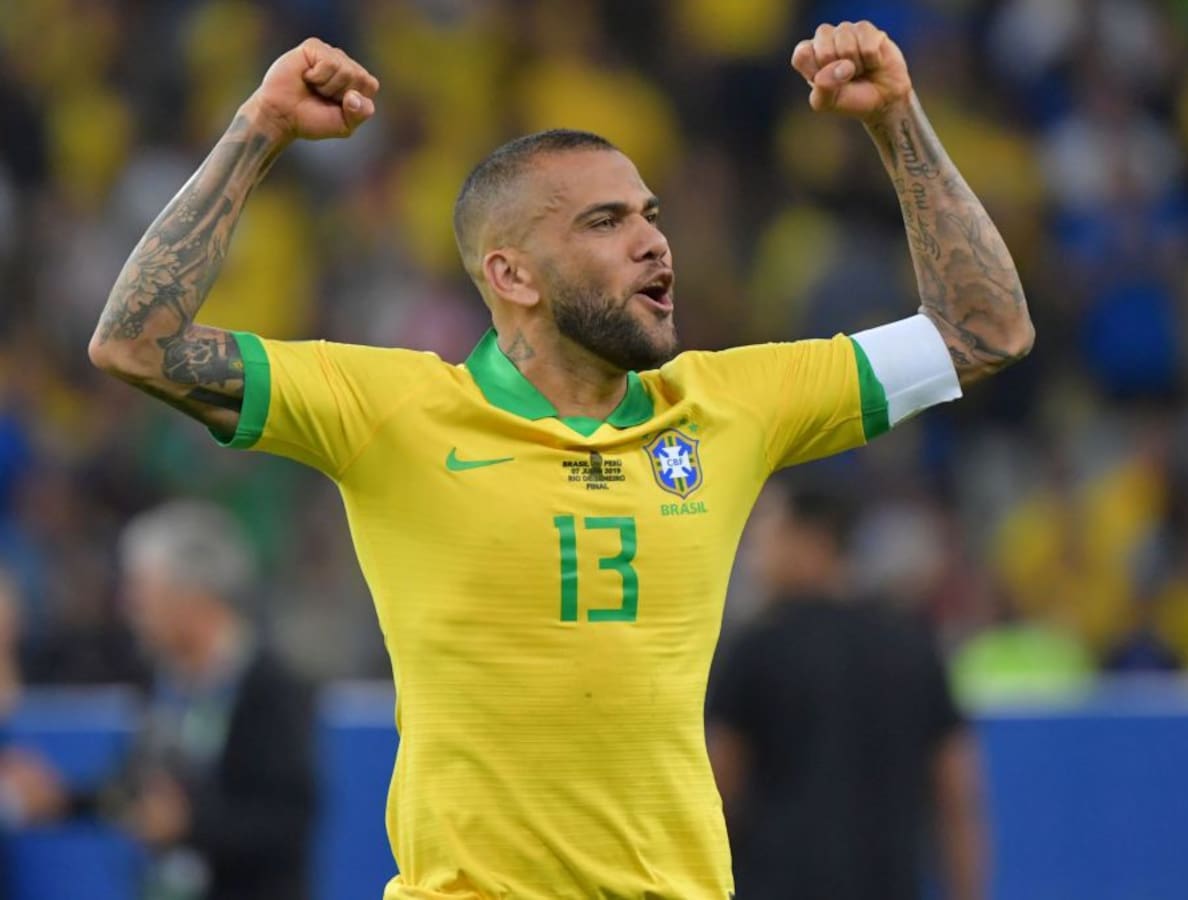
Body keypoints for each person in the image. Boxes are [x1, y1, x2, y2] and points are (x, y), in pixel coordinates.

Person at [86, 22, 1033, 899]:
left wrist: (897, 120)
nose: (653, 241)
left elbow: (984, 330)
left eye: (651, 215)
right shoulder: (392, 411)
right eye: (605, 222)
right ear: (511, 274)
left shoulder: (728, 403)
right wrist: (259, 129)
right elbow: (135, 344)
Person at [1, 501, 318, 900]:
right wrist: (64, 800)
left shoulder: (268, 688)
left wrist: (192, 826)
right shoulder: (165, 684)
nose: (130, 607)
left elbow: (288, 819)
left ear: (191, 594)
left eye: (142, 589)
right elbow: (142, 798)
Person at [707, 480, 987, 900]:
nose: (753, 557)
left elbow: (718, 795)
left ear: (812, 541)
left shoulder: (758, 649)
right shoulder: (912, 643)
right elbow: (957, 796)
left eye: (766, 537)